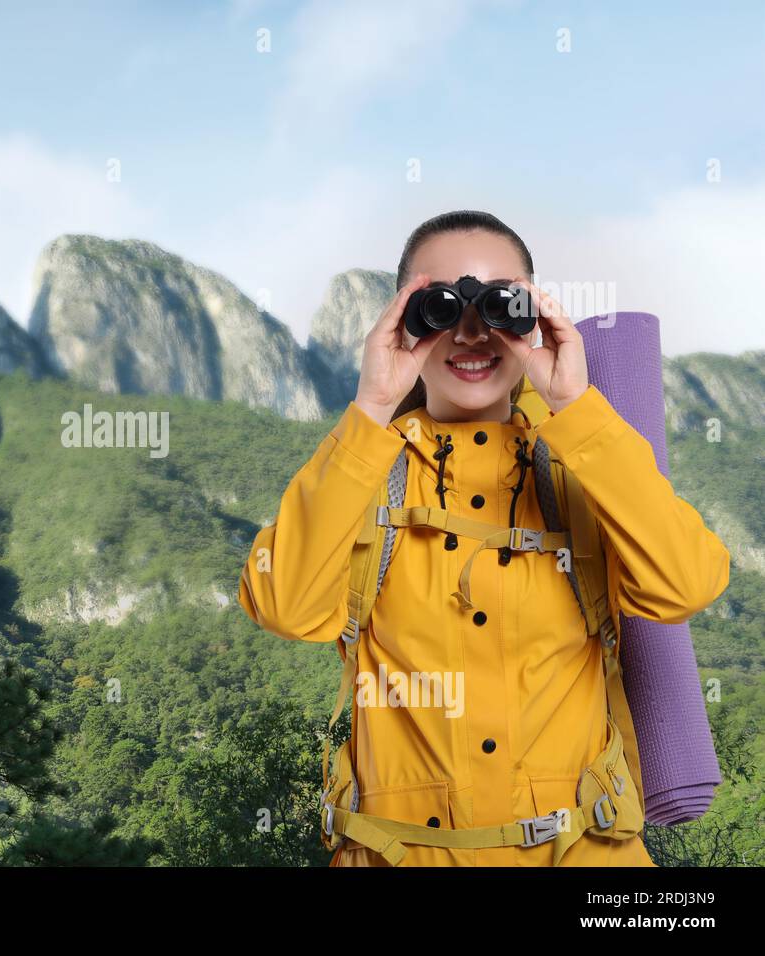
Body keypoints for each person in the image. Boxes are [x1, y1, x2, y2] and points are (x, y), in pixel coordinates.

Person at [238, 210, 731, 866]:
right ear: (401, 320)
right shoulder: (362, 475)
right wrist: (371, 410)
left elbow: (688, 585)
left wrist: (577, 408)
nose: (472, 331)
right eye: (438, 305)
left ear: (535, 311)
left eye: (501, 303)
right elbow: (286, 608)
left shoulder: (584, 466)